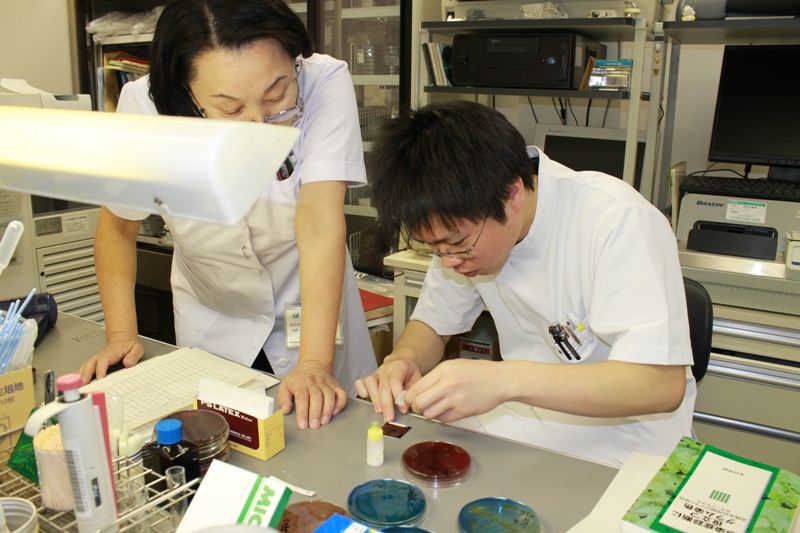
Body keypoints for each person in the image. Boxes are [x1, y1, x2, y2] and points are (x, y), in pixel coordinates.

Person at [78, 0, 377, 430]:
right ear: (187, 92)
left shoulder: (325, 82)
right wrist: (122, 336)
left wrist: (314, 363)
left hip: (309, 317)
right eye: (232, 109)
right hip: (212, 321)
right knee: (219, 442)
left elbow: (318, 220)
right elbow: (118, 227)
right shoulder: (145, 108)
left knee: (324, 443)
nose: (260, 124)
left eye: (277, 96)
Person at [355, 100, 696, 466]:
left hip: (629, 446)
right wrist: (404, 359)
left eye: (457, 244)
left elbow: (661, 385)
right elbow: (433, 324)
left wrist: (502, 380)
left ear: (513, 194)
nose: (450, 261)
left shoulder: (616, 220)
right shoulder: (463, 233)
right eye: (435, 249)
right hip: (526, 425)